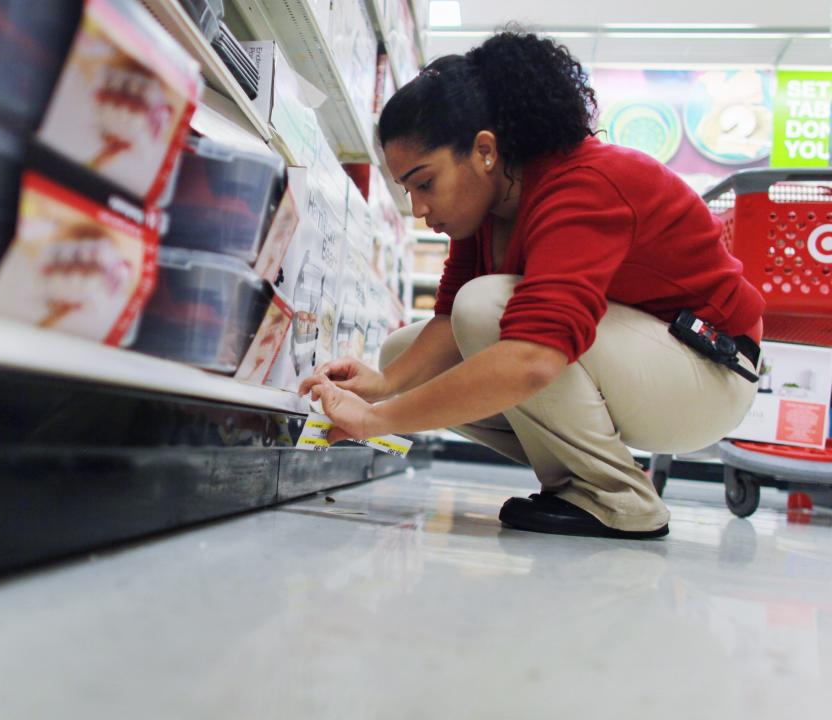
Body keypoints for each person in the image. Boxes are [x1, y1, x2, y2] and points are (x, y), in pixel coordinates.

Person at [299, 30, 764, 540]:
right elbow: (449, 322)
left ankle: (618, 499)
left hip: (709, 375)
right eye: (408, 189)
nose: (419, 208)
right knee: (401, 353)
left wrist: (378, 421)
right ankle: (581, 482)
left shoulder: (585, 185)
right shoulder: (488, 209)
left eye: (425, 182)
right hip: (642, 363)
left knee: (488, 312)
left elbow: (534, 357)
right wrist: (383, 388)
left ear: (484, 151)